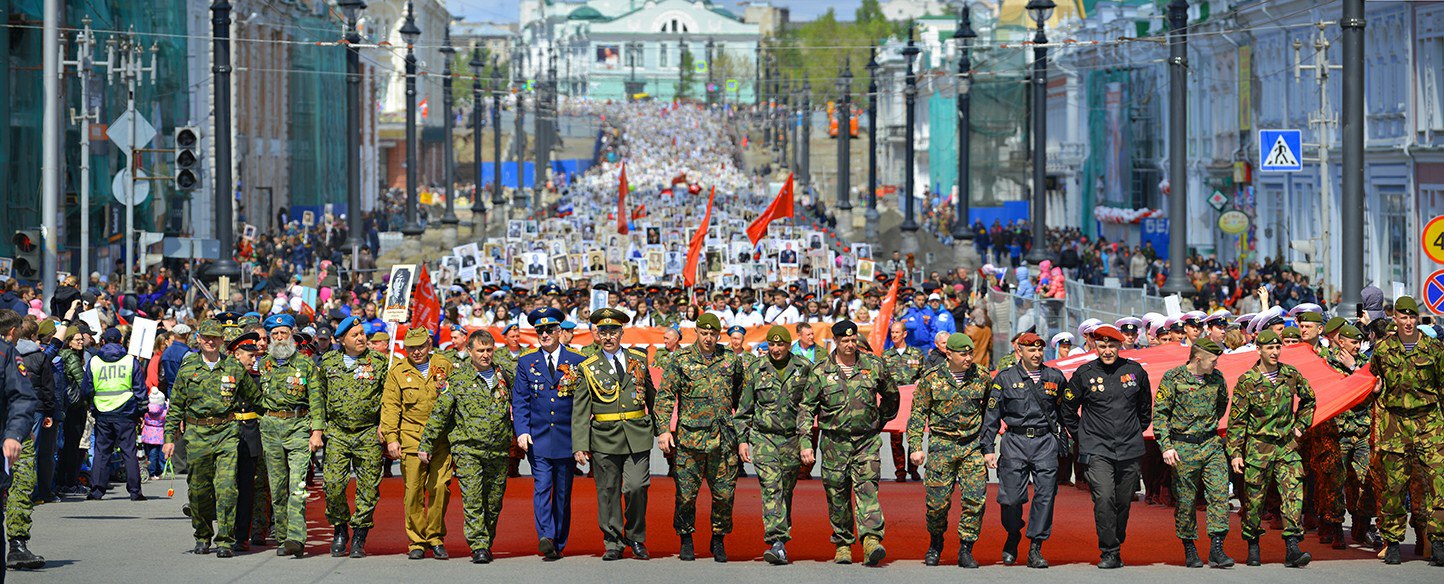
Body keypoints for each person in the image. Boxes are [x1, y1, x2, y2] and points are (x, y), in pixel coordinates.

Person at [797, 320, 899, 566]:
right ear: (836, 341)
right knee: (837, 494)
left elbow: (891, 395)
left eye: (854, 340)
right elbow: (806, 408)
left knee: (868, 489)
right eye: (845, 341)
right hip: (834, 443)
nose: (850, 345)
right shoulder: (821, 370)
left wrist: (878, 420)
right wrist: (804, 442)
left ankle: (871, 540)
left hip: (866, 441)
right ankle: (843, 542)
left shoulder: (873, 365)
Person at [164, 319, 258, 557]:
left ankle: (226, 540)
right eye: (206, 337)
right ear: (198, 339)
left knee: (227, 489)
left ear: (221, 341)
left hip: (226, 432)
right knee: (199, 491)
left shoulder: (233, 368)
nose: (210, 341)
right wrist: (168, 438)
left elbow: (256, 398)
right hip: (197, 435)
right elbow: (175, 406)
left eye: (215, 338)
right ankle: (202, 535)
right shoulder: (187, 369)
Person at [1060, 325, 1152, 569]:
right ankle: (1109, 551)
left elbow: (1145, 408)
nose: (1108, 351)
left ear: (1119, 346)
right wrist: (1082, 436)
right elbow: (1068, 409)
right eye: (1103, 346)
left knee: (1123, 501)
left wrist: (1135, 431)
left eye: (1112, 346)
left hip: (1129, 448)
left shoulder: (1134, 372)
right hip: (1096, 448)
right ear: (1095, 346)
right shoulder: (1084, 373)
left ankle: (1116, 538)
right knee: (1103, 498)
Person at [420, 330, 513, 563]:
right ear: (469, 351)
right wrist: (427, 443)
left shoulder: (505, 376)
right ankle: (478, 545)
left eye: (489, 350)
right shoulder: (458, 381)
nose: (485, 355)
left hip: (499, 449)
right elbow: (440, 413)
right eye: (480, 350)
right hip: (468, 449)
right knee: (472, 498)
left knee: (493, 501)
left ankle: (487, 540)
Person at [656, 313, 742, 562]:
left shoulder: (730, 360)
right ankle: (686, 538)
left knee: (724, 495)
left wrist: (742, 434)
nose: (708, 338)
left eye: (713, 334)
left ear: (719, 335)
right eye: (704, 333)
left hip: (723, 441)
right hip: (690, 441)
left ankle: (718, 540)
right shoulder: (681, 360)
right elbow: (664, 397)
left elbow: (740, 398)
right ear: (696, 332)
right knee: (686, 495)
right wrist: (663, 430)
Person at [573, 308, 657, 561]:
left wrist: (663, 431)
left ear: (622, 332)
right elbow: (580, 409)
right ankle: (613, 541)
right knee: (607, 491)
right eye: (603, 332)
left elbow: (652, 397)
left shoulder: (639, 360)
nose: (609, 336)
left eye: (613, 331)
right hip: (604, 437)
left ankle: (636, 536)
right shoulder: (587, 367)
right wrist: (579, 444)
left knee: (636, 487)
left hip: (637, 434)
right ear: (597, 335)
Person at [1367, 295, 1444, 565]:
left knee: (1439, 484)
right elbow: (1373, 382)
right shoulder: (1383, 349)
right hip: (1395, 425)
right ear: (1395, 318)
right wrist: (1374, 391)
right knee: (1394, 486)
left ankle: (1438, 542)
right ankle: (1394, 542)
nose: (1408, 322)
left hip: (1429, 423)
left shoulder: (1434, 349)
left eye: (1412, 317)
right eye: (1403, 317)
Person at [1227, 329, 1315, 567]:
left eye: (1278, 348)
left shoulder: (1290, 374)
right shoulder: (1247, 381)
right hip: (1258, 449)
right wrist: (1235, 453)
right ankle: (1253, 545)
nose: (1275, 352)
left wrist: (1300, 426)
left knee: (1293, 496)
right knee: (1255, 501)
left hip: (1286, 447)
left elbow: (1309, 399)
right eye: (1270, 348)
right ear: (1259, 350)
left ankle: (1293, 547)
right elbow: (1237, 422)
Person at [982, 332, 1066, 568]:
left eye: (1040, 350)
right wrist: (988, 448)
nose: (1037, 354)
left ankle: (1035, 547)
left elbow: (1064, 412)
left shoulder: (1055, 377)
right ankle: (1013, 534)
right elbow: (991, 416)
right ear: (1020, 351)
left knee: (1045, 496)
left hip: (1044, 443)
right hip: (1015, 442)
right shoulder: (1005, 378)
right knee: (1009, 498)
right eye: (1031, 350)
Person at [907, 333, 989, 568]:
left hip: (971, 446)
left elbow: (990, 411)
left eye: (970, 353)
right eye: (963, 354)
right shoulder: (931, 378)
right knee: (937, 503)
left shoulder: (981, 376)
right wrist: (915, 447)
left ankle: (966, 548)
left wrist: (988, 444)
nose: (968, 358)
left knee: (975, 499)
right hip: (941, 446)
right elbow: (918, 414)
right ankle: (935, 542)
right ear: (949, 354)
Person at [1151, 338, 1234, 568]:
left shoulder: (1216, 378)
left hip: (1211, 445)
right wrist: (1166, 446)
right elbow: (1160, 415)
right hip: (1183, 447)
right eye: (1213, 361)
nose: (1215, 365)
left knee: (1219, 494)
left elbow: (1221, 405)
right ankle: (1189, 547)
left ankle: (1217, 547)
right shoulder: (1173, 378)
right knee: (1186, 501)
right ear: (1198, 358)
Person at [511, 307, 584, 560]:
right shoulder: (526, 362)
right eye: (540, 330)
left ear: (559, 332)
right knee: (542, 486)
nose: (545, 334)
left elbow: (583, 404)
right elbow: (519, 400)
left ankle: (559, 542)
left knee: (562, 494)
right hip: (538, 437)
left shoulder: (576, 361)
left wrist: (582, 440)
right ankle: (546, 536)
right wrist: (521, 431)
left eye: (550, 330)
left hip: (566, 439)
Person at [734, 326, 810, 565]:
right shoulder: (756, 369)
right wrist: (742, 440)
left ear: (789, 345)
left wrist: (807, 442)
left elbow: (809, 407)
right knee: (771, 487)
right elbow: (744, 409)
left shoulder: (803, 369)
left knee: (786, 490)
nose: (775, 350)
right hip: (763, 438)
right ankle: (776, 541)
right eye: (772, 345)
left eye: (780, 345)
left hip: (791, 439)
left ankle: (781, 541)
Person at [319, 316, 389, 558]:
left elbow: (387, 398)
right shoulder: (329, 363)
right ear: (341, 340)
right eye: (355, 335)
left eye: (362, 333)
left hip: (368, 432)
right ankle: (340, 529)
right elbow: (321, 396)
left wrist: (385, 425)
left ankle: (360, 534)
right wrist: (319, 427)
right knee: (333, 485)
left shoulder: (379, 362)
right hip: (338, 432)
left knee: (368, 487)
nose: (361, 338)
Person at [256, 313, 326, 557]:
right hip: (271, 427)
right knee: (277, 488)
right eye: (274, 334)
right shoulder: (263, 364)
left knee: (297, 485)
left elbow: (317, 400)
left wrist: (316, 432)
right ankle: (284, 538)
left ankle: (296, 537)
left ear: (292, 334)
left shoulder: (305, 364)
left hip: (298, 426)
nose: (279, 337)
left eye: (283, 333)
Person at [382, 327, 454, 560]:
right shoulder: (398, 371)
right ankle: (416, 541)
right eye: (411, 347)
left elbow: (457, 399)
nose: (417, 352)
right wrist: (392, 438)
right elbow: (391, 406)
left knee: (440, 487)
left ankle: (435, 537)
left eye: (421, 346)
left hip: (441, 439)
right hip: (411, 437)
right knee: (413, 490)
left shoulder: (443, 365)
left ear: (429, 345)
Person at [1322, 324, 1376, 548]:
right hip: (1338, 434)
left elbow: (1370, 392)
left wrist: (1354, 368)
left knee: (1365, 481)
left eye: (1359, 343)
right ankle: (1335, 528)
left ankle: (1361, 524)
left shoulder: (1363, 364)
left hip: (1361, 432)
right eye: (1353, 342)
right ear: (1341, 342)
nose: (1357, 346)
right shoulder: (1326, 365)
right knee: (1336, 483)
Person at [3, 314, 48, 570]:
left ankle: (18, 545)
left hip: (12, 430)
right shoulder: (10, 355)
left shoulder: (11, 354)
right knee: (21, 483)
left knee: (21, 483)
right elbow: (22, 395)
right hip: (12, 432)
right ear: (13, 331)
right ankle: (17, 545)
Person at [82, 327, 147, 501]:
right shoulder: (130, 361)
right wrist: (142, 411)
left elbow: (86, 388)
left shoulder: (94, 361)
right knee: (129, 452)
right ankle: (135, 491)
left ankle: (96, 491)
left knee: (102, 452)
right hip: (125, 411)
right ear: (120, 342)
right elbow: (140, 389)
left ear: (103, 341)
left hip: (102, 411)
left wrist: (91, 405)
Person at [882, 321, 924, 483]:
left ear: (904, 334)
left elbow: (924, 374)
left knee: (913, 434)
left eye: (897, 332)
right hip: (894, 401)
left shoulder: (916, 354)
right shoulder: (886, 356)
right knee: (896, 437)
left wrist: (920, 381)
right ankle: (900, 470)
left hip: (912, 402)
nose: (894, 335)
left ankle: (913, 468)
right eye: (892, 332)